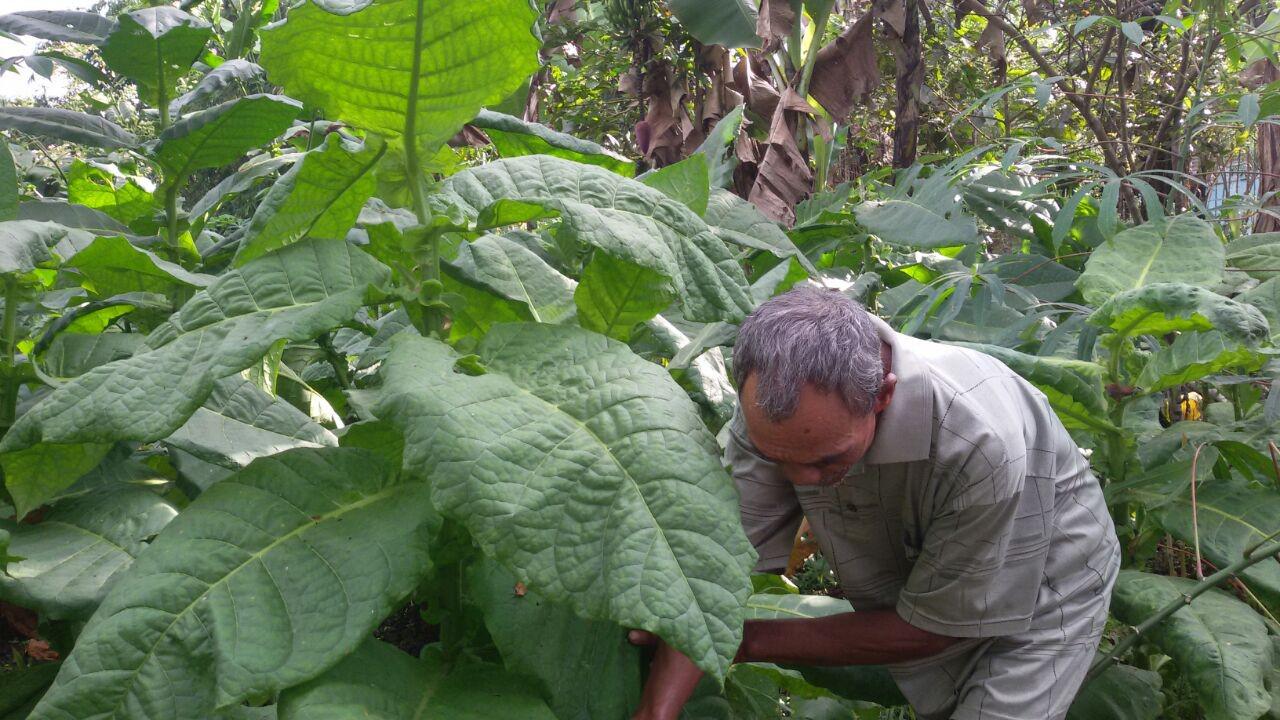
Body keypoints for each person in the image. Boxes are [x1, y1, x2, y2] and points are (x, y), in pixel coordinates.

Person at [632, 286, 1121, 720]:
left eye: (826, 461)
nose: (801, 480)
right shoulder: (776, 414)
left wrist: (740, 639)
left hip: (1047, 574)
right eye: (778, 459)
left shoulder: (979, 443)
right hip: (927, 554)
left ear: (883, 397)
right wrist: (656, 709)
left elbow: (935, 629)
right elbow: (715, 575)